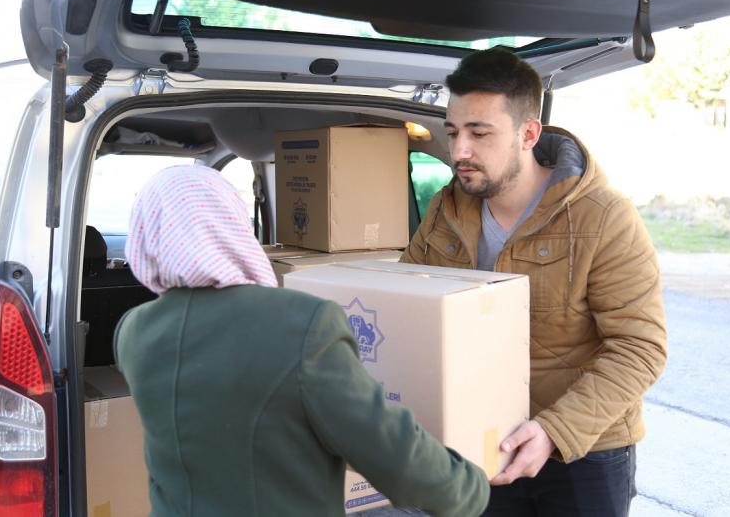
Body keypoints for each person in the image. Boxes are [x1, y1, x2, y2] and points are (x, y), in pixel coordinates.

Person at [114, 165, 489, 517]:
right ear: (232, 225)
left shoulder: (133, 333)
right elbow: (393, 454)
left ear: (147, 238)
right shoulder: (303, 323)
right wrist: (473, 487)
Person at [401, 47, 667, 516]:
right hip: (481, 440)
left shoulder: (603, 216)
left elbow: (639, 348)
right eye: (453, 132)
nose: (459, 150)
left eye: (479, 133)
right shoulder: (445, 210)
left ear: (528, 133)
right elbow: (408, 310)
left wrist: (553, 431)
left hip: (584, 450)